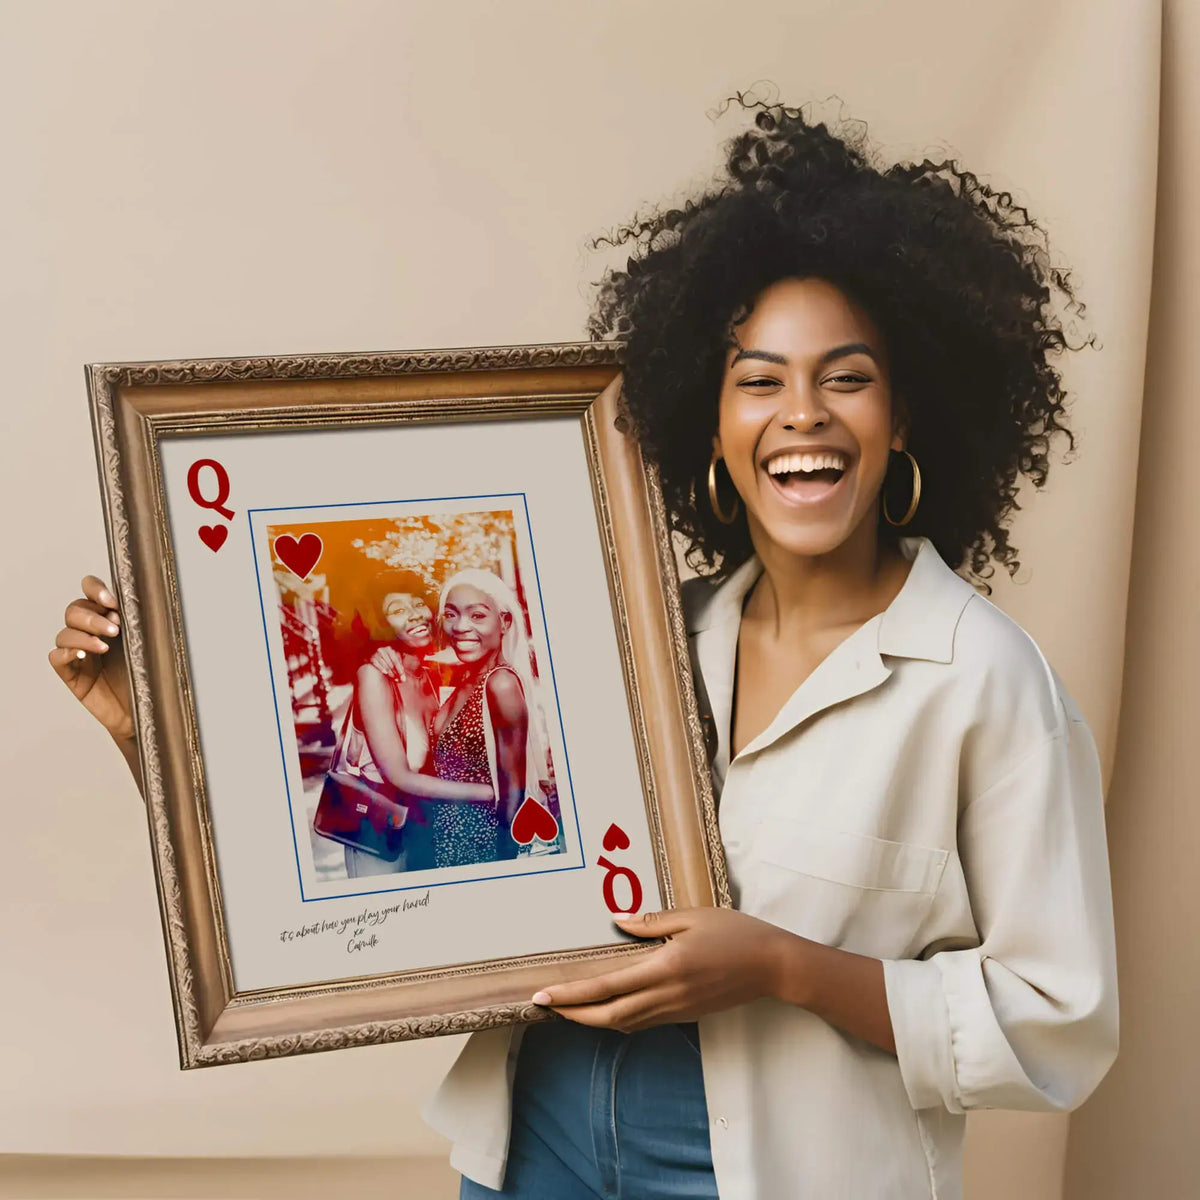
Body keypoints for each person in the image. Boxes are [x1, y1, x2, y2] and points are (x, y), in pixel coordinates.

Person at [49, 100, 1118, 1200]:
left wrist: (785, 969)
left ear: (903, 416)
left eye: (846, 377)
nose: (802, 413)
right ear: (709, 427)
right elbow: (406, 851)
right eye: (759, 380)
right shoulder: (632, 634)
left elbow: (1057, 1024)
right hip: (538, 1142)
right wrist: (154, 731)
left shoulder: (983, 680)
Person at [335, 585, 491, 878]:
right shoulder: (374, 676)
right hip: (379, 836)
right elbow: (400, 776)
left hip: (427, 827)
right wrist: (491, 793)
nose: (414, 616)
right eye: (397, 611)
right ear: (381, 624)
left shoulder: (431, 674)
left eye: (418, 604)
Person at [428, 569, 554, 868]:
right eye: (451, 614)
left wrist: (503, 866)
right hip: (448, 837)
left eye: (478, 616)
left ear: (504, 622)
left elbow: (514, 791)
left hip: (483, 845)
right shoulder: (466, 680)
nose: (460, 627)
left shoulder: (501, 684)